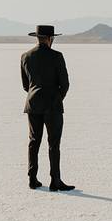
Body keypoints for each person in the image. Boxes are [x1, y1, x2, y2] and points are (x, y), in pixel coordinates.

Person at [21, 25, 75, 192]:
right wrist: (57, 98)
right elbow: (65, 84)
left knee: (33, 141)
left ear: (37, 38)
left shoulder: (26, 56)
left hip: (33, 104)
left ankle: (32, 178)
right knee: (54, 144)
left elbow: (26, 85)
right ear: (50, 38)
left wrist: (36, 95)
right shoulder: (57, 56)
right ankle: (55, 181)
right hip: (53, 106)